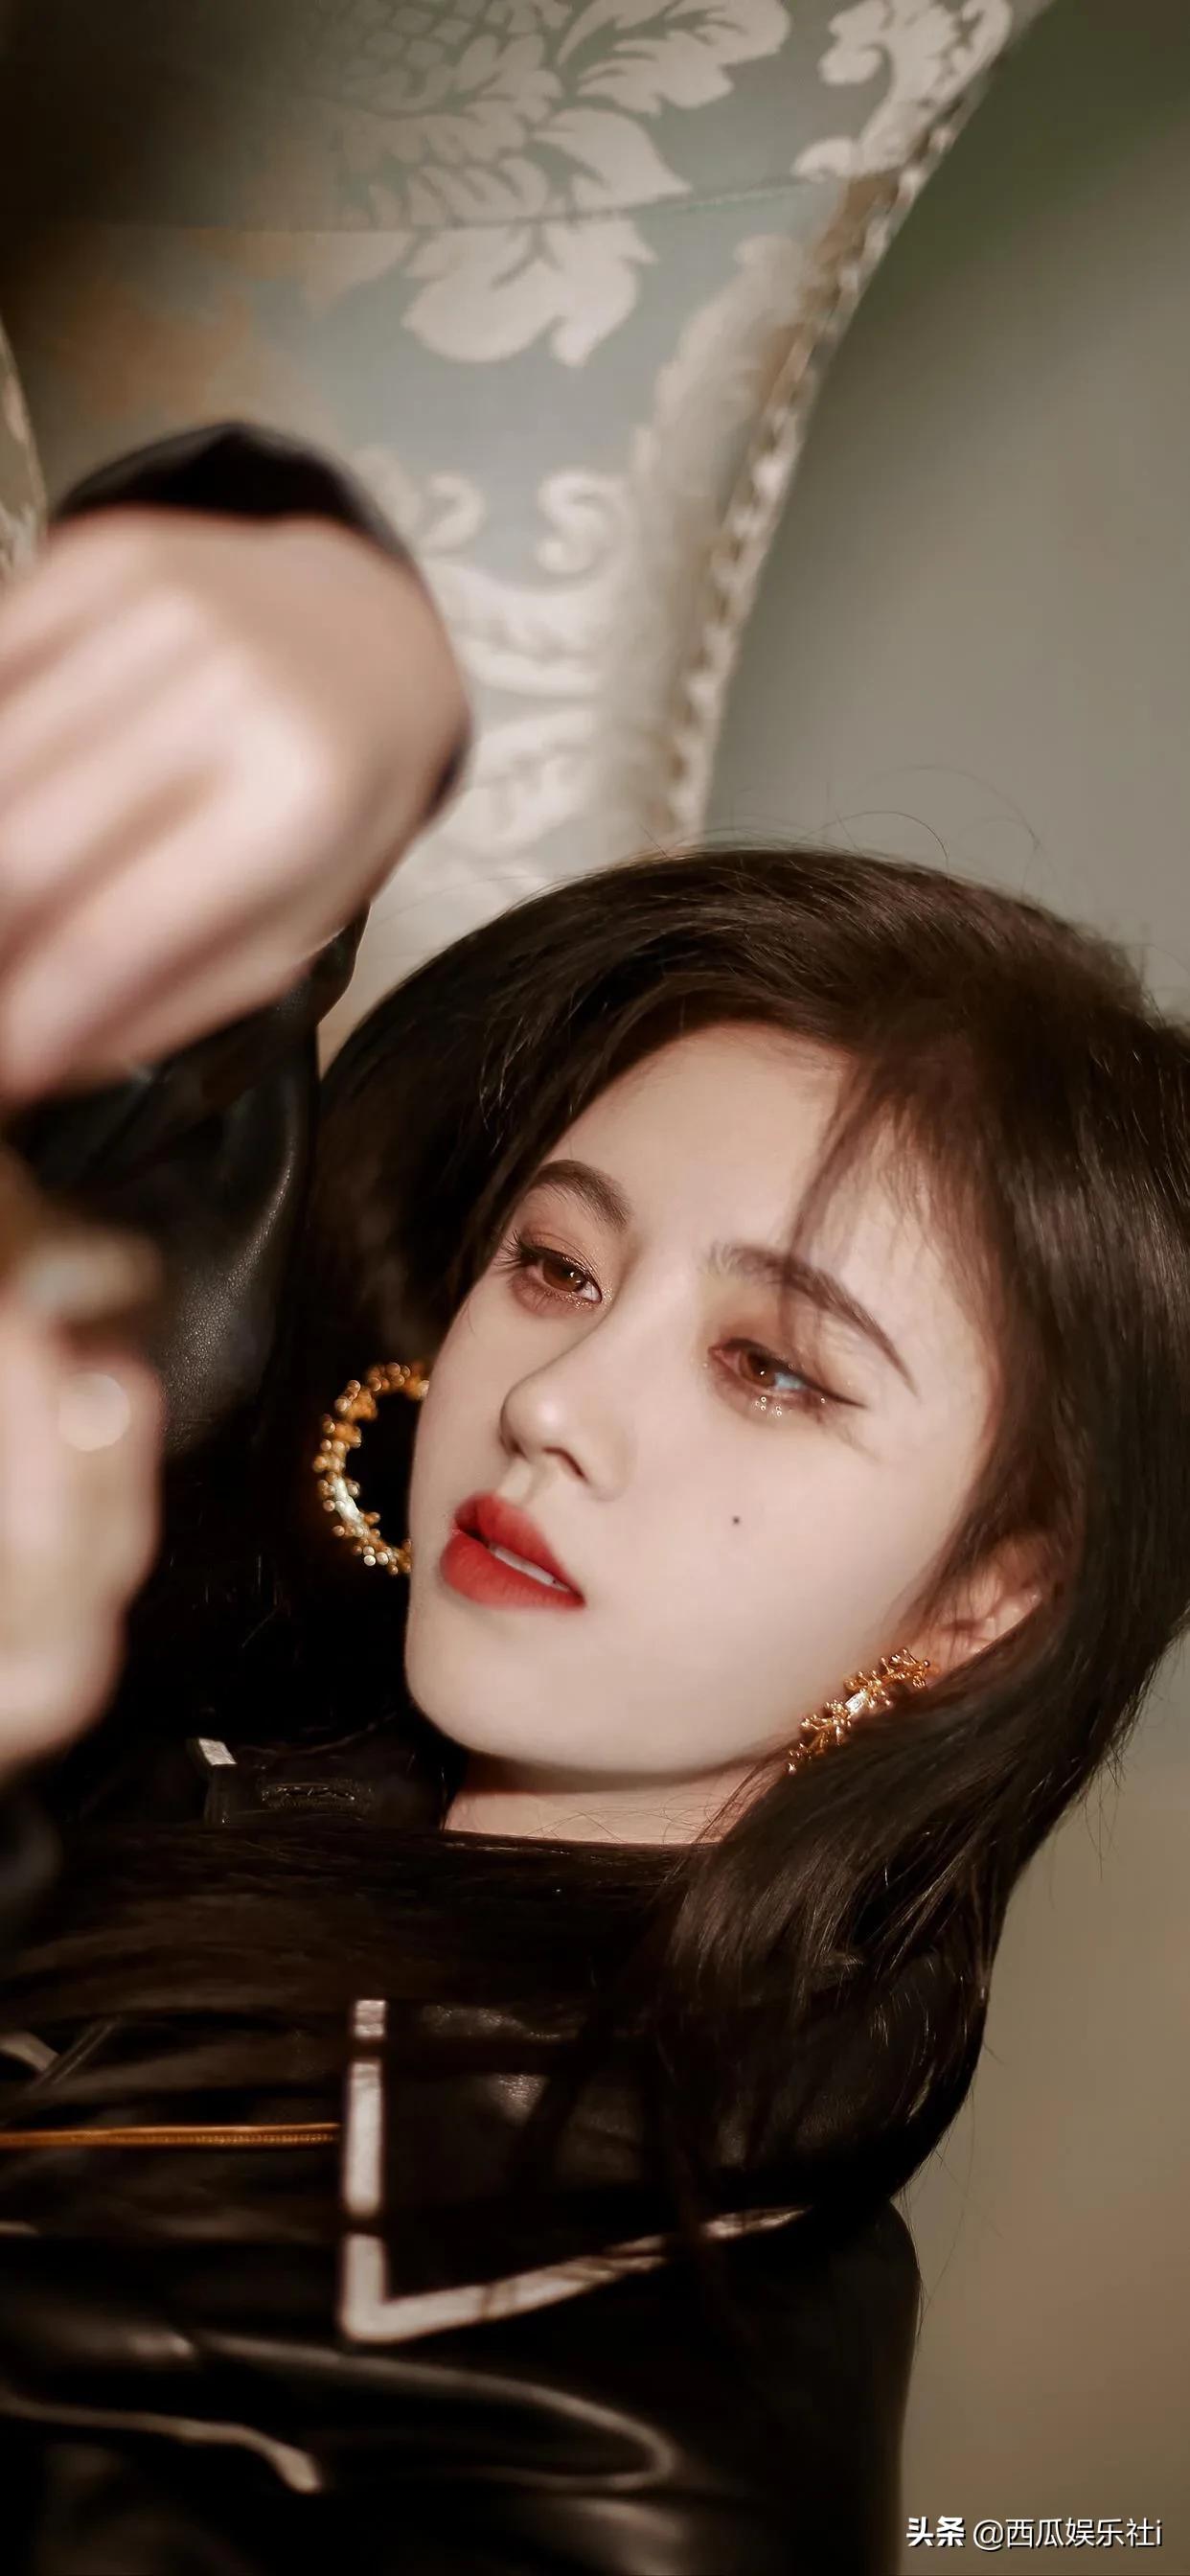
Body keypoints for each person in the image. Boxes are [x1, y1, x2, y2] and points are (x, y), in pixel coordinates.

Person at [0, 423, 1187, 2576]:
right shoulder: (202, 1672)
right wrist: (321, 598)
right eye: (556, 1265)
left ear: (983, 1603)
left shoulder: (635, 2442)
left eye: (771, 1368)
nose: (550, 1403)